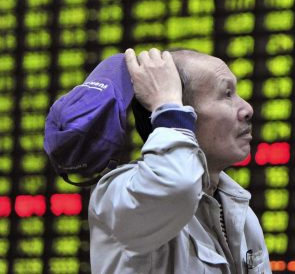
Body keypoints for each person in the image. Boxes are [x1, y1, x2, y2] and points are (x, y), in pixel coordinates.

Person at [88, 47, 271, 273]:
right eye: (226, 94)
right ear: (181, 111)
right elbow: (177, 185)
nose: (247, 109)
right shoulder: (121, 194)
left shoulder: (240, 212)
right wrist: (167, 105)